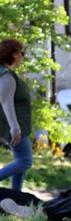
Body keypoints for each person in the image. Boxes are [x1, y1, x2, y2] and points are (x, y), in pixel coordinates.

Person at [0, 38, 33, 191]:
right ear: (14, 55)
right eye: (21, 53)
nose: (22, 56)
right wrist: (15, 128)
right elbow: (6, 101)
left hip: (16, 125)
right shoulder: (6, 76)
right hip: (13, 127)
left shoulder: (5, 73)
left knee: (20, 162)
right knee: (25, 161)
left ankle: (15, 196)